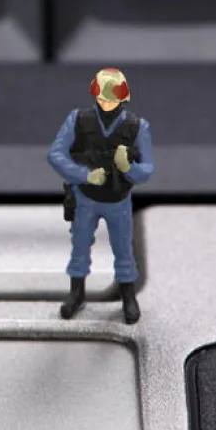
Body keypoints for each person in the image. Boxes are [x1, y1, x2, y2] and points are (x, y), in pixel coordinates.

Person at [47, 67, 155, 324]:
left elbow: (148, 169)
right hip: (86, 198)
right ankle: (77, 293)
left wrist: (128, 168)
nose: (107, 103)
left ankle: (128, 296)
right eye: (103, 98)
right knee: (80, 247)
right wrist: (84, 175)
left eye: (112, 98)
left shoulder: (137, 127)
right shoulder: (78, 120)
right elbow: (56, 155)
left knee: (123, 250)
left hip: (119, 201)